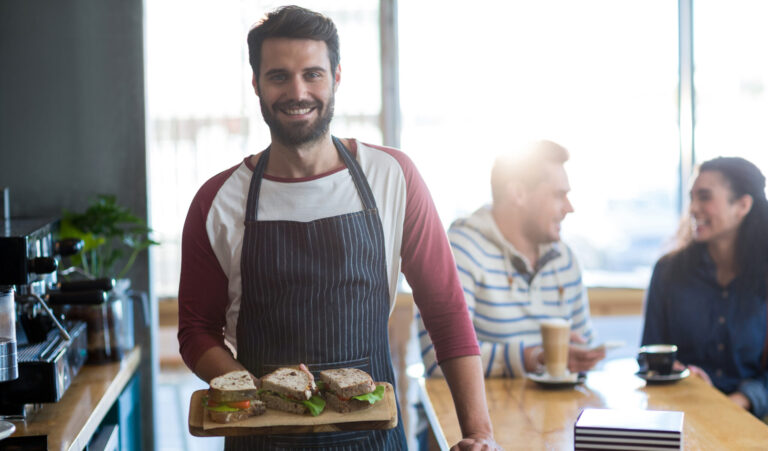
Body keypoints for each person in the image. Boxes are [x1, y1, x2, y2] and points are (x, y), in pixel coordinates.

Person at [177, 6, 500, 450]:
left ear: (337, 77)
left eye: (312, 74)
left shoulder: (393, 177)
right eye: (278, 76)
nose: (298, 91)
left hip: (373, 436)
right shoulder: (217, 201)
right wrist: (260, 398)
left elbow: (445, 310)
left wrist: (479, 434)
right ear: (255, 85)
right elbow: (196, 332)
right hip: (261, 439)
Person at [419, 140, 604, 378]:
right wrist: (533, 357)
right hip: (485, 413)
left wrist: (580, 355)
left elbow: (583, 348)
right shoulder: (460, 250)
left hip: (557, 411)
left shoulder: (564, 258)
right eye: (559, 195)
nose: (569, 208)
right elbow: (437, 359)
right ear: (518, 193)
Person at [642, 156, 768, 418]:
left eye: (705, 197)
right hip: (680, 415)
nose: (693, 208)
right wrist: (677, 373)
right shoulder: (667, 272)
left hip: (747, 419)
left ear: (742, 205)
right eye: (692, 197)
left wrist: (738, 401)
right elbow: (647, 355)